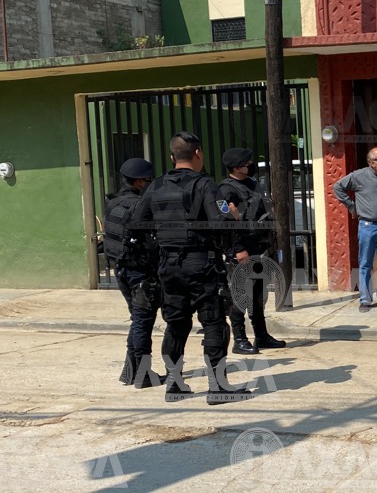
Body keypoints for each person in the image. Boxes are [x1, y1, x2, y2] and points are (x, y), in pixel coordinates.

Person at [131, 132, 248, 405]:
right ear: (198, 154)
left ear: (172, 157)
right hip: (201, 265)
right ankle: (218, 387)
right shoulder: (206, 185)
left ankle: (175, 384)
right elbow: (221, 223)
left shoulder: (155, 186)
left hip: (168, 267)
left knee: (176, 324)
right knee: (214, 323)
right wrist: (233, 217)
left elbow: (137, 223)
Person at [219, 148, 286, 354]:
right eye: (247, 162)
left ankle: (261, 336)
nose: (251, 165)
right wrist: (239, 250)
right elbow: (226, 222)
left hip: (260, 247)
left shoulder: (254, 185)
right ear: (237, 167)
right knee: (240, 295)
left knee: (258, 294)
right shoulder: (225, 190)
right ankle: (239, 339)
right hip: (242, 251)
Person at [104, 158, 163, 389]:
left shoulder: (114, 203)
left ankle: (130, 371)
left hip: (122, 270)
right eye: (148, 180)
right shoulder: (138, 207)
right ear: (139, 181)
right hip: (140, 273)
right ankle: (142, 373)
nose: (150, 184)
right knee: (142, 322)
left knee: (137, 320)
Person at [333, 146, 377, 312]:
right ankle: (365, 299)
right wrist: (352, 207)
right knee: (365, 263)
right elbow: (338, 187)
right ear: (372, 163)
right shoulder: (359, 176)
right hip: (367, 226)